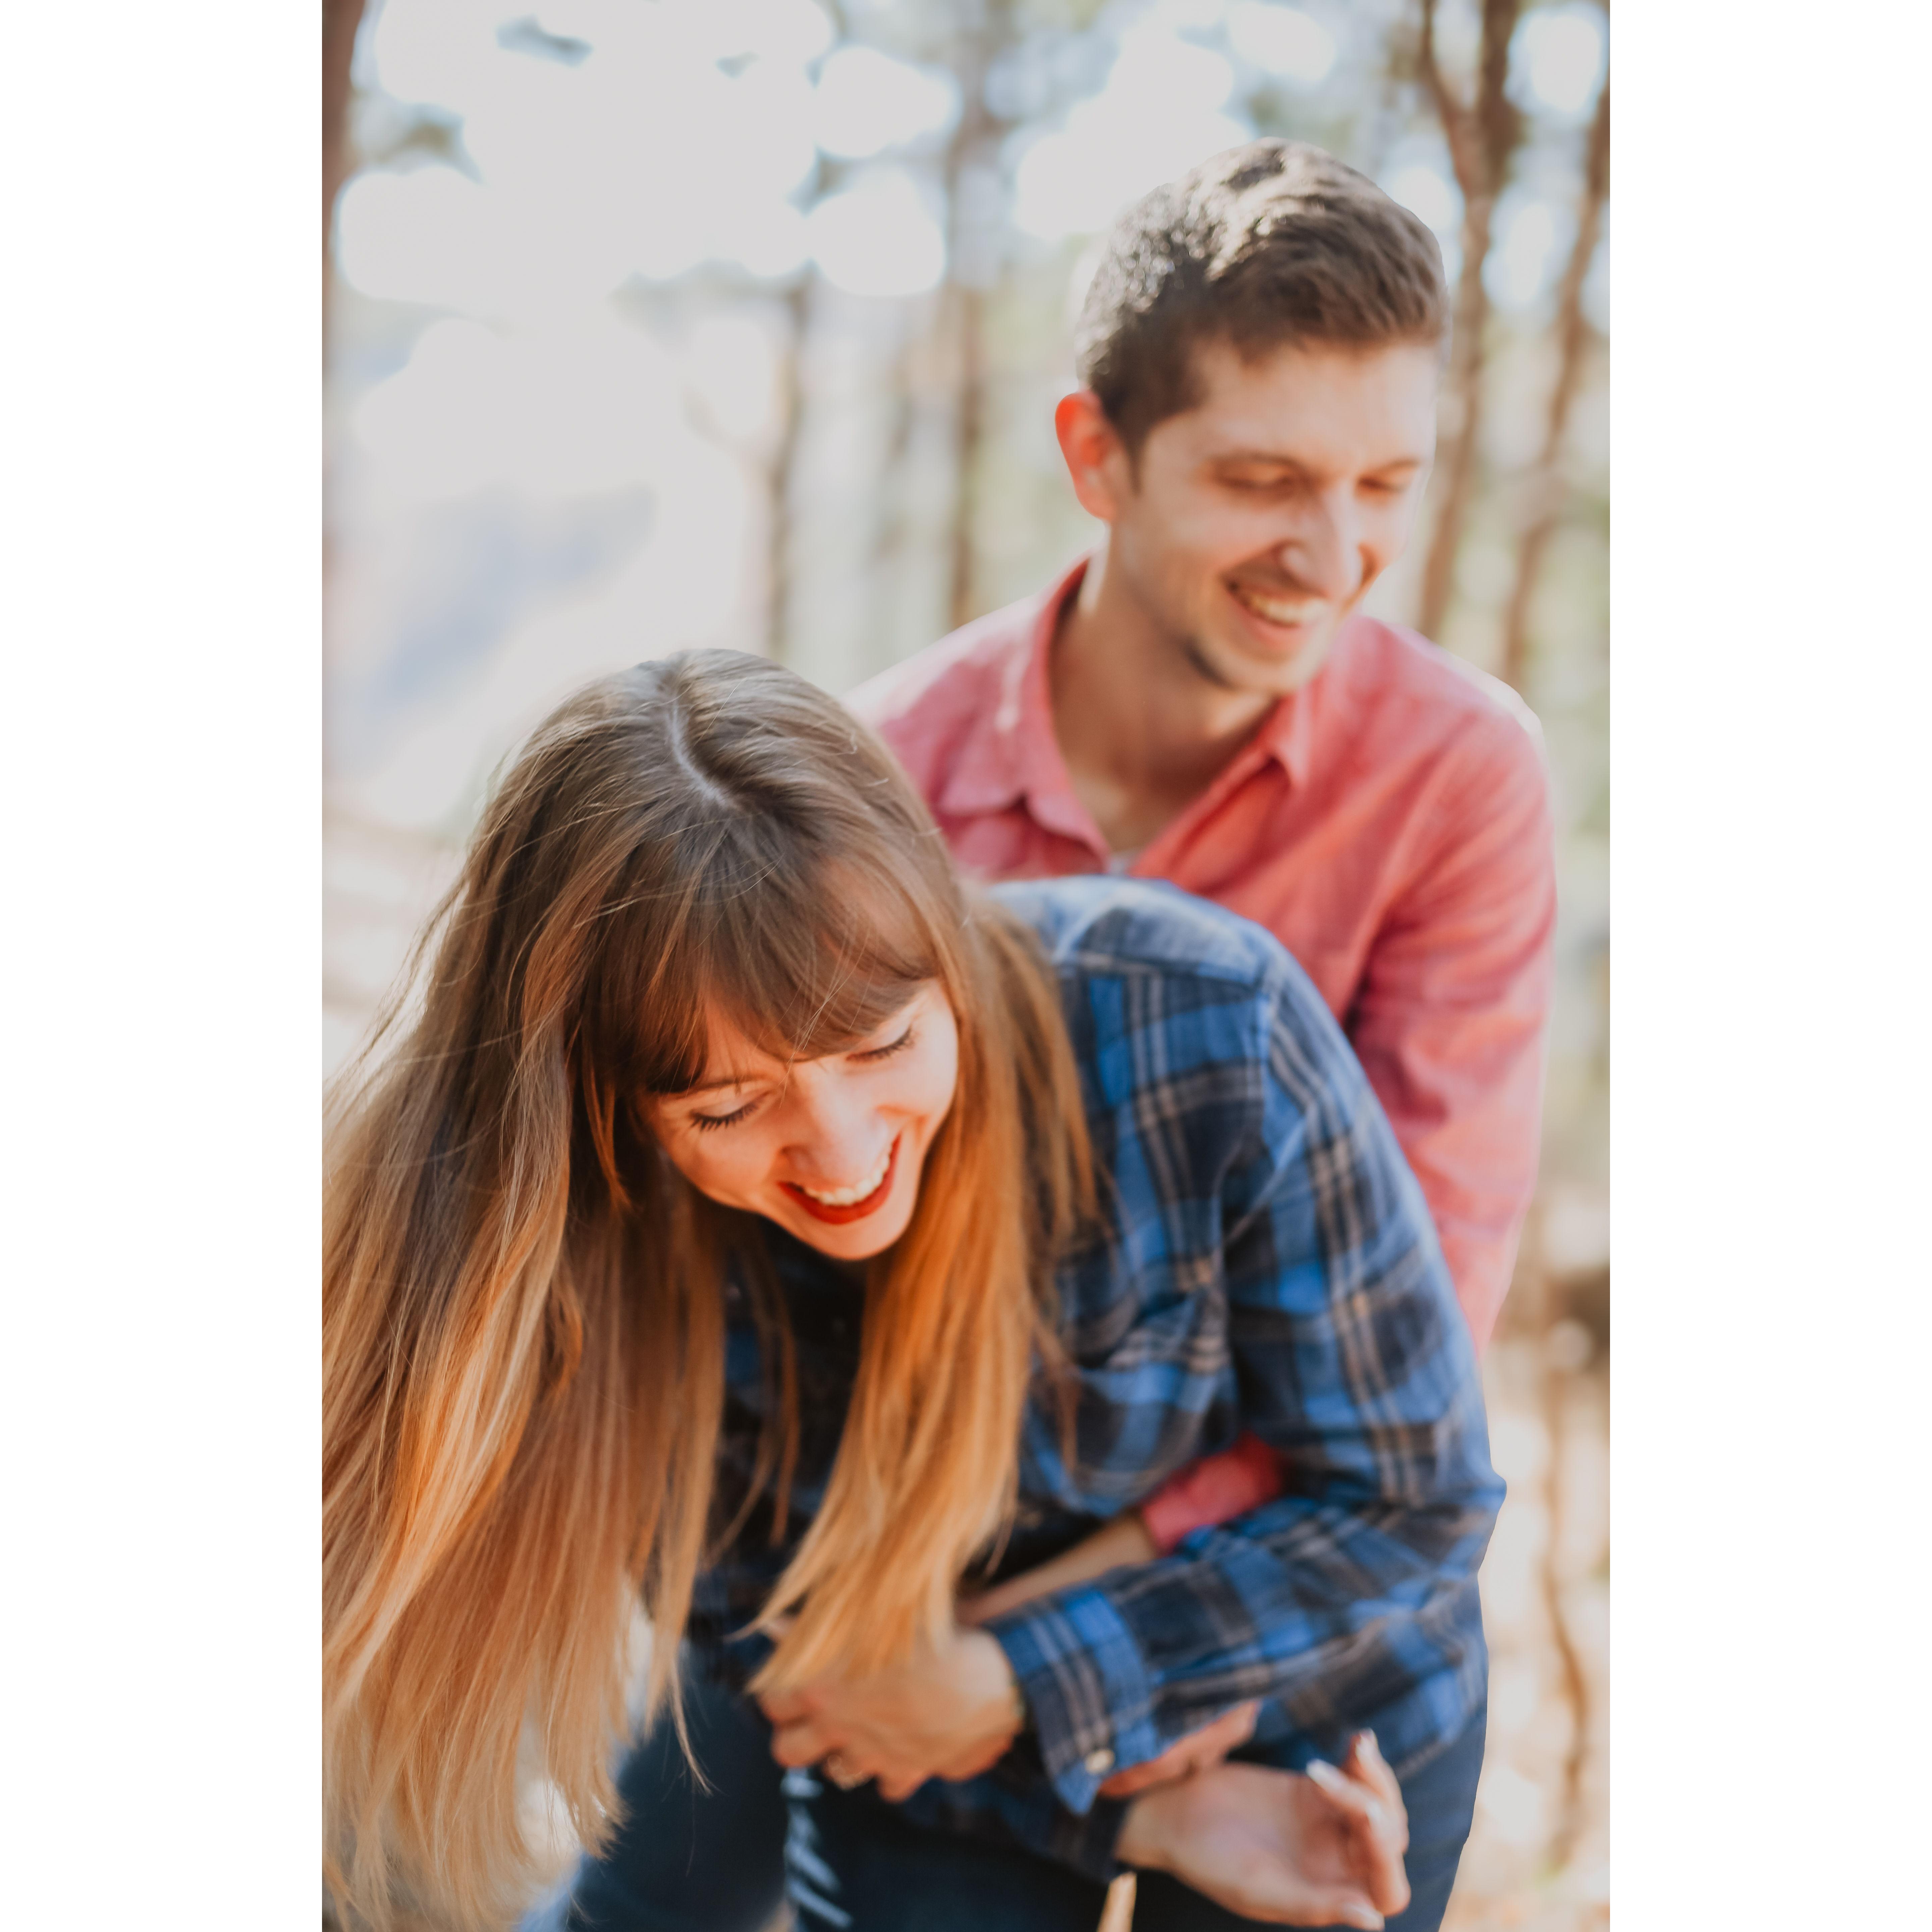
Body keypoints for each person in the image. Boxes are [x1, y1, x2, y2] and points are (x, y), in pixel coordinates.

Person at [325, 651, 1501, 1932]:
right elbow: (776, 1656)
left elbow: (1415, 1498)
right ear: (613, 1107)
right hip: (924, 1773)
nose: (840, 1159)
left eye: (883, 1042)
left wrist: (1018, 1675)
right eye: (728, 1107)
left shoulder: (1208, 1025)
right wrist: (1133, 1814)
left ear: (944, 938)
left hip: (1319, 1698)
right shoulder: (596, 1255)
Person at [850, 138, 1556, 1357]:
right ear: (1098, 457)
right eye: (1263, 481)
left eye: (1385, 486)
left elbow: (1410, 1322)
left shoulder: (1460, 776)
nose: (1332, 560)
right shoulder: (873, 781)